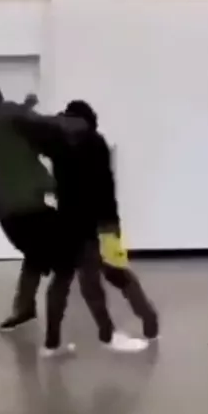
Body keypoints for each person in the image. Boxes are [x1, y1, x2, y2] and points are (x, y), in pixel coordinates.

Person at [0, 82, 147, 354]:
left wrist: (27, 108)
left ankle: (32, 318)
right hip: (37, 211)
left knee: (40, 257)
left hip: (9, 216)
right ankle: (105, 334)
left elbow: (18, 126)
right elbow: (37, 122)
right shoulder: (11, 115)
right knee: (78, 266)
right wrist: (72, 122)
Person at [63, 100, 159, 341]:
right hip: (86, 225)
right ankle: (107, 327)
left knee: (114, 274)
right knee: (90, 281)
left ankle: (146, 315)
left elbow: (98, 187)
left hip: (99, 222)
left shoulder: (92, 144)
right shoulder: (75, 144)